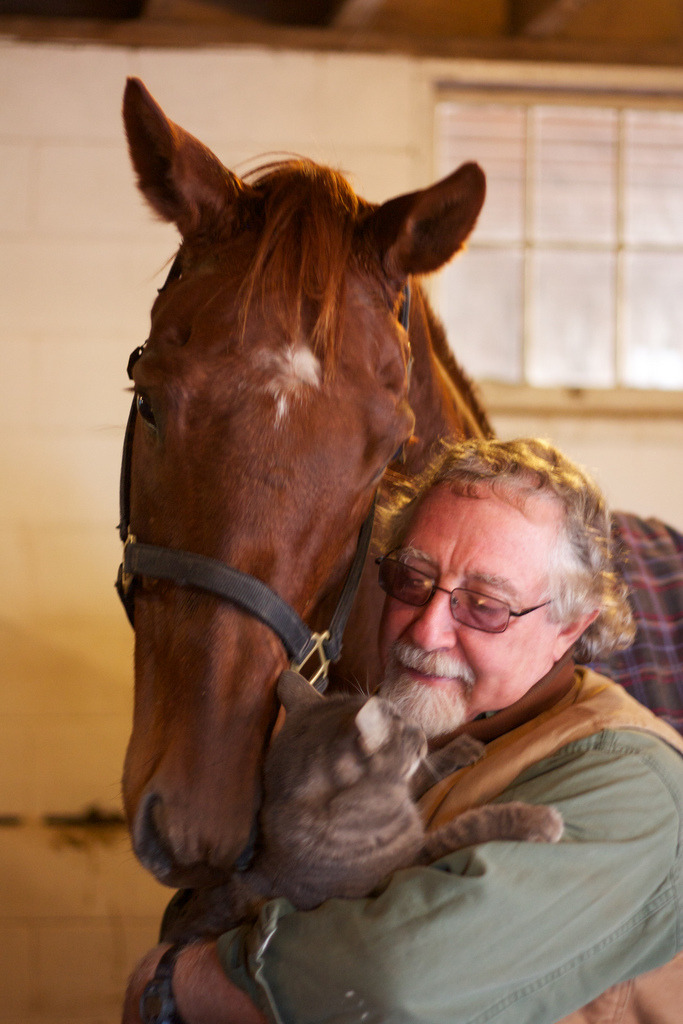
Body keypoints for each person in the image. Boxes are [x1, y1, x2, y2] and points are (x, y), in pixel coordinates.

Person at [123, 437, 683, 1024]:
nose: (426, 631)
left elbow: (391, 980)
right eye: (412, 579)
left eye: (485, 604)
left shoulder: (637, 787)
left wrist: (173, 981)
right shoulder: (396, 735)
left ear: (570, 627)